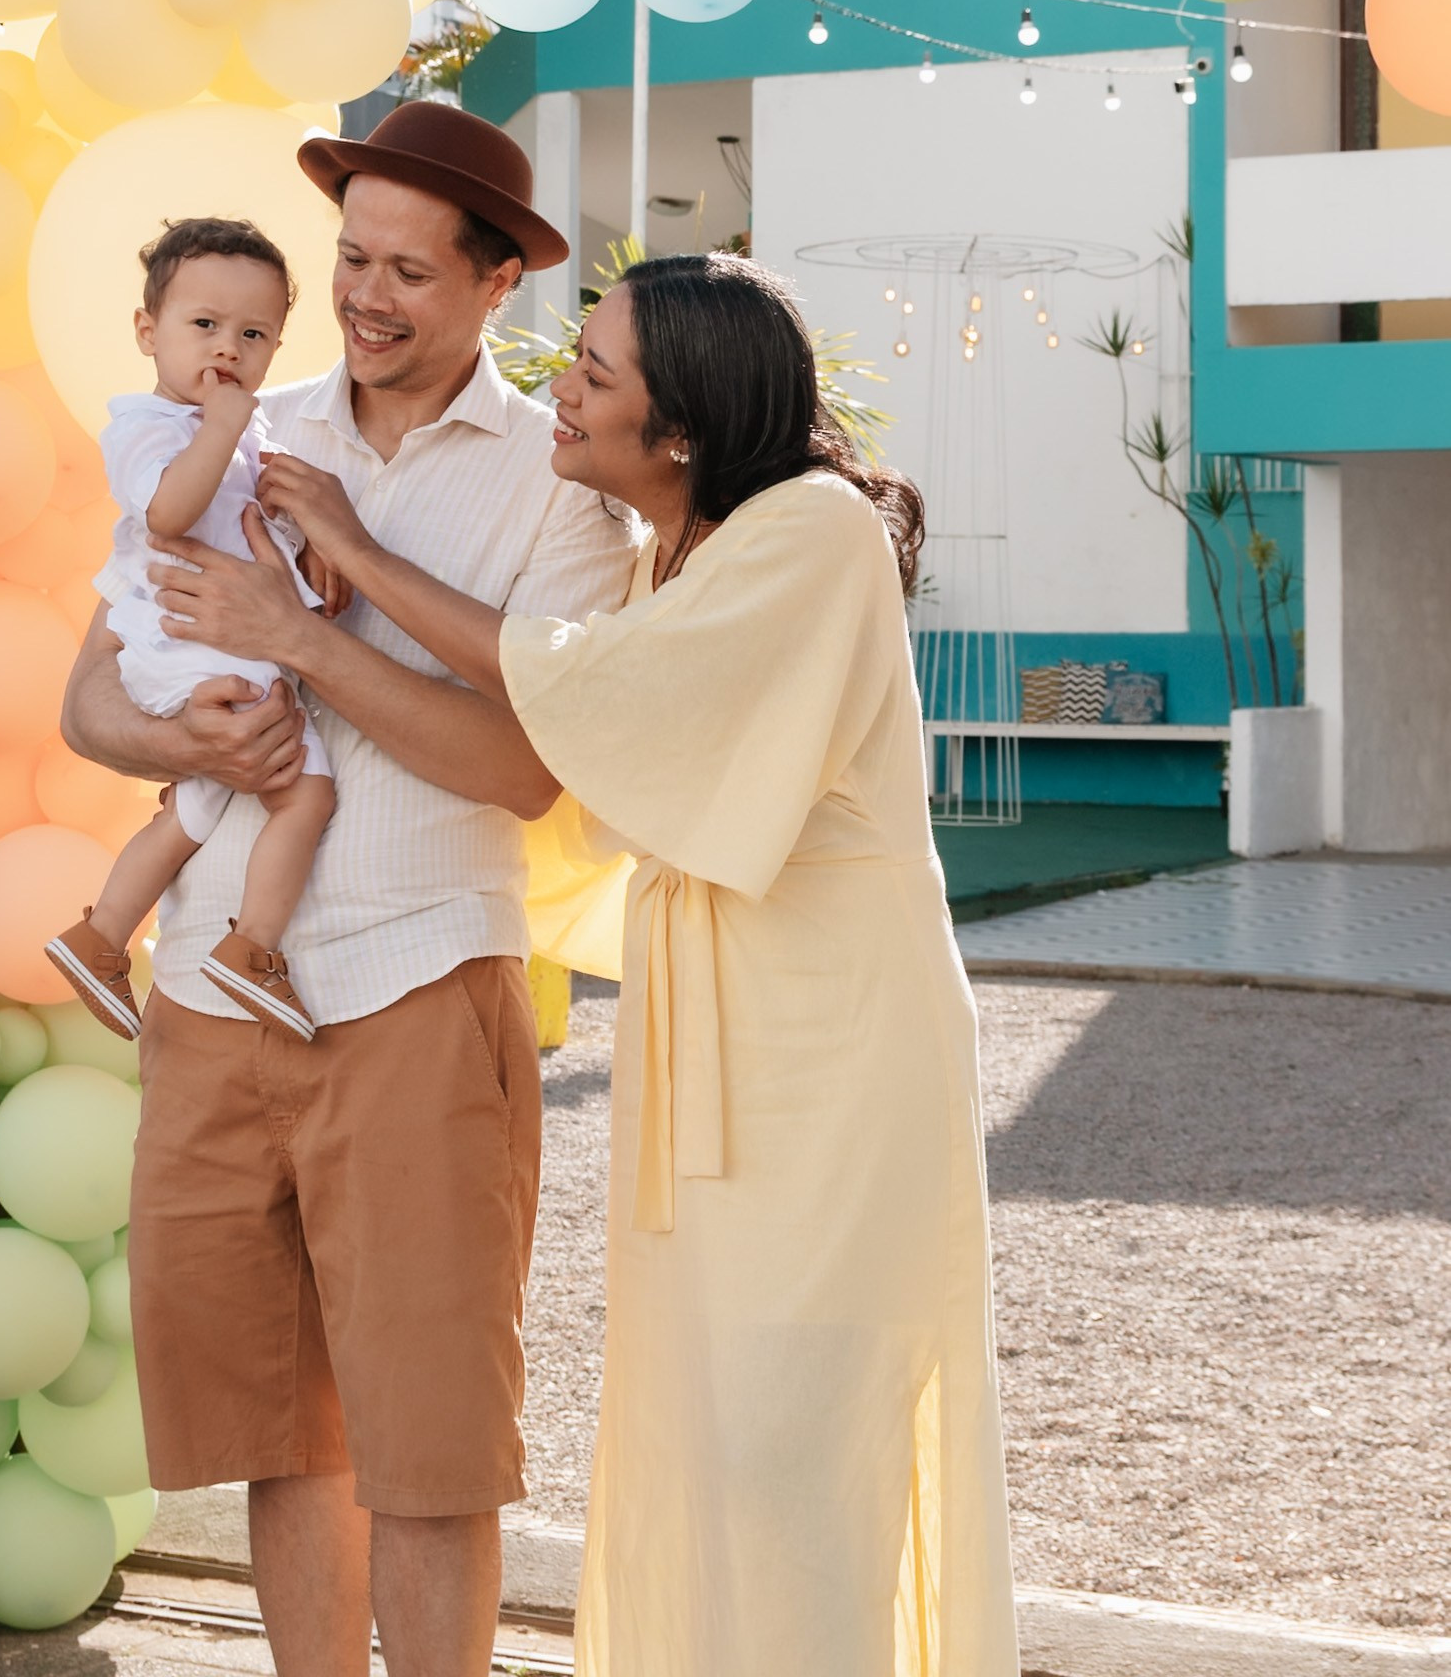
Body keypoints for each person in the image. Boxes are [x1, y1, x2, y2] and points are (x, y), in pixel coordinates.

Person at [248, 250, 1020, 1677]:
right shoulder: (670, 550)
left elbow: (579, 687)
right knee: (709, 1424)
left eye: (593, 373)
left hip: (831, 1055)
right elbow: (568, 728)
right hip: (716, 1034)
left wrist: (352, 558)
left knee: (799, 1438)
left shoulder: (814, 530)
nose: (560, 387)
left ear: (678, 429)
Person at [59, 104, 639, 1677]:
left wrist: (299, 638)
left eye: (408, 272)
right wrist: (185, 735)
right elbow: (87, 701)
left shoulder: (559, 490)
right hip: (210, 997)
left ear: (497, 283)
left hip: (416, 990)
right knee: (280, 1436)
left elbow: (522, 768)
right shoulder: (241, 418)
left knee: (430, 1453)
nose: (364, 297)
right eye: (351, 258)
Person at [47, 217, 337, 1043]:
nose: (226, 350)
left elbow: (250, 523)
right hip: (182, 645)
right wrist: (222, 427)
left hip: (214, 648)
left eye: (253, 335)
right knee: (307, 792)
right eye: (204, 324)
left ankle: (102, 936)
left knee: (195, 809)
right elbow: (171, 513)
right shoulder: (147, 426)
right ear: (149, 332)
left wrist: (308, 540)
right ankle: (252, 949)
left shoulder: (245, 432)